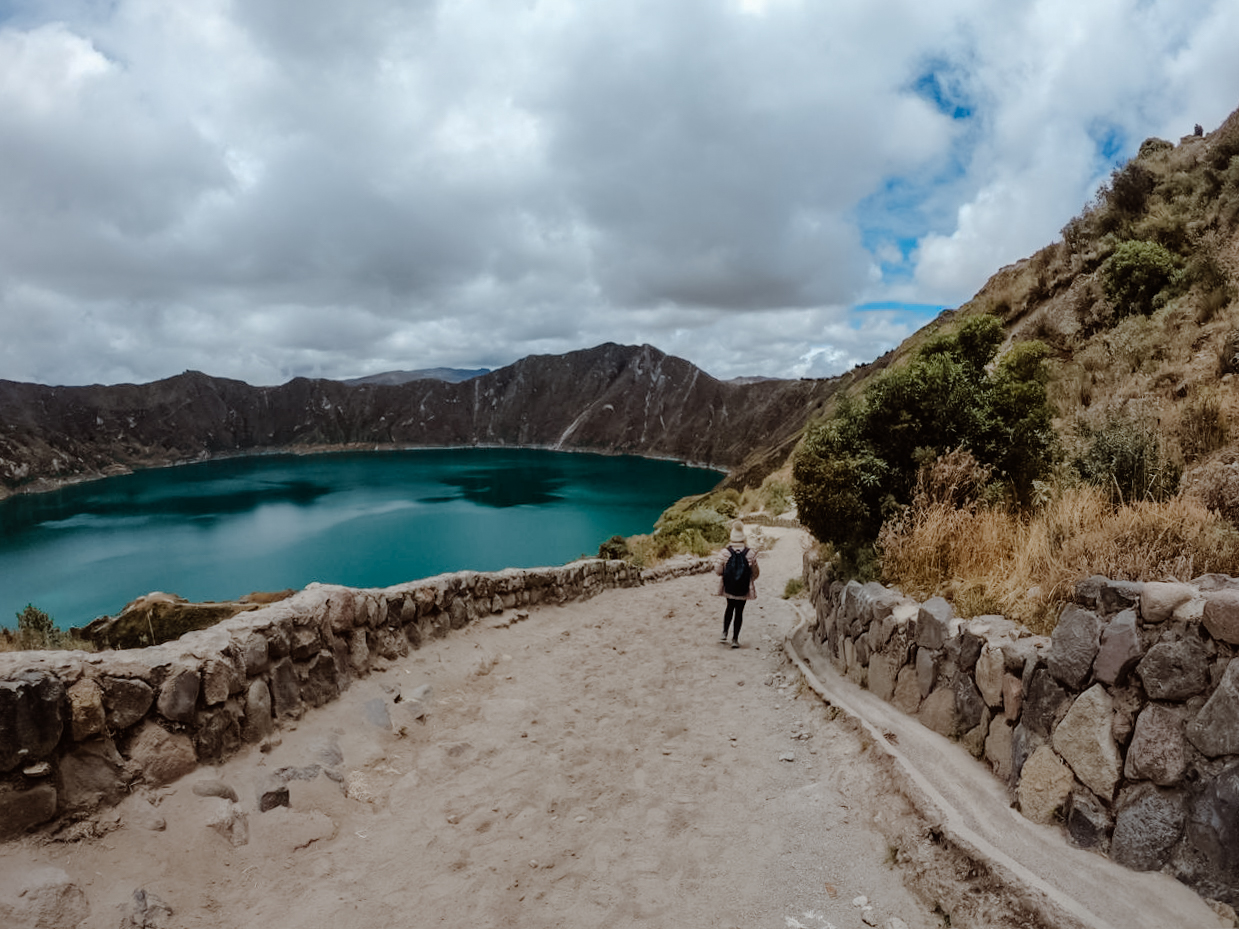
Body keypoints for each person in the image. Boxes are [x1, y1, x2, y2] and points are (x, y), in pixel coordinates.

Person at [713, 519, 759, 648]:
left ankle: (724, 633)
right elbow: (755, 573)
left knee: (729, 608)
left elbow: (718, 570)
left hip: (729, 587)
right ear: (743, 537)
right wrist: (746, 579)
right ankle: (735, 639)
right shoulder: (750, 553)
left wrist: (728, 576)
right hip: (743, 588)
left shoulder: (725, 552)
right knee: (739, 612)